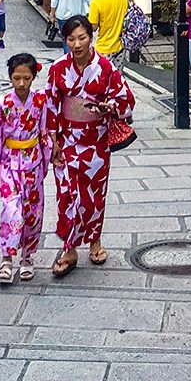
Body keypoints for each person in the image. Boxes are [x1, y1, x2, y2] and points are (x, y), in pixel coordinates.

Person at [46, 16, 135, 278]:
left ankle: (95, 241)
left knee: (94, 194)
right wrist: (52, 140)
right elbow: (50, 106)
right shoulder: (58, 68)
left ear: (91, 37)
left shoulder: (105, 67)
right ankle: (70, 247)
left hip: (95, 140)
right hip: (66, 141)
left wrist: (110, 106)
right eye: (71, 39)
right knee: (66, 194)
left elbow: (127, 101)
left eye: (82, 38)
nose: (76, 44)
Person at [0, 53, 53, 284]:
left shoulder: (40, 101)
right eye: (17, 78)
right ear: (10, 77)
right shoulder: (2, 105)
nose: (21, 83)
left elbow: (44, 131)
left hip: (33, 162)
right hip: (9, 162)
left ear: (34, 77)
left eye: (26, 78)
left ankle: (27, 257)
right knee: (11, 210)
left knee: (33, 211)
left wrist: (51, 154)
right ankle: (6, 258)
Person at [87, 0, 127, 65]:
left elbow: (93, 27)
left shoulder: (96, 1)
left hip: (104, 48)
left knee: (102, 79)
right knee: (117, 78)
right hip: (120, 47)